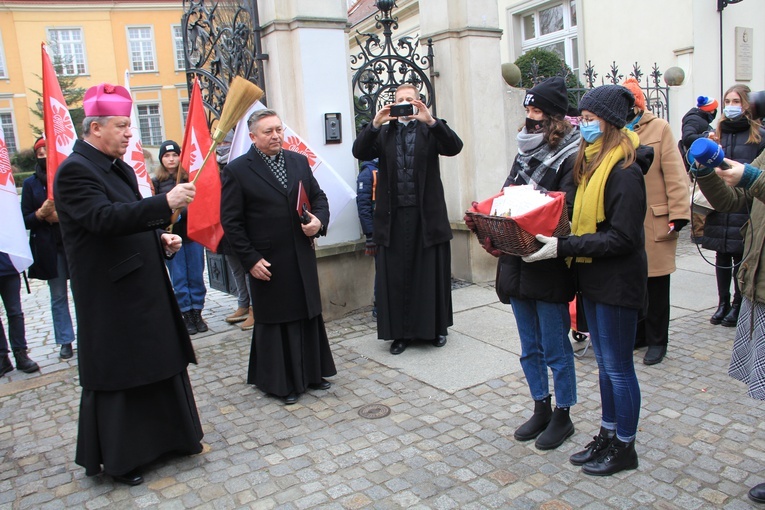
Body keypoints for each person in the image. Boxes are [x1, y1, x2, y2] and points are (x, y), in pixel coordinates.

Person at [54, 83, 203, 485]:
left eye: (128, 126)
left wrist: (159, 238)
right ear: (96, 127)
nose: (128, 134)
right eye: (121, 126)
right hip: (110, 294)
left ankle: (169, 439)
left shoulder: (113, 166)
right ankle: (125, 457)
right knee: (123, 373)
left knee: (156, 362)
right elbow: (102, 220)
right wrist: (165, 205)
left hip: (139, 284)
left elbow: (125, 218)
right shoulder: (74, 171)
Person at [523, 84, 653, 476]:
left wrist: (565, 245)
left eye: (592, 120)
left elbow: (623, 237)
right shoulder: (594, 160)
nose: (585, 126)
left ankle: (624, 446)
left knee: (617, 368)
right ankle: (607, 434)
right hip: (594, 278)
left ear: (610, 124)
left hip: (617, 282)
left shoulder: (625, 170)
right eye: (584, 119)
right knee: (604, 368)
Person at [466, 76, 580, 450]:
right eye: (528, 111)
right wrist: (491, 218)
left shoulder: (571, 155)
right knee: (529, 346)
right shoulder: (524, 152)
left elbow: (566, 208)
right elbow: (507, 195)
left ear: (555, 118)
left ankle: (563, 414)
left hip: (545, 259)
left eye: (537, 112)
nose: (530, 119)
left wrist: (527, 214)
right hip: (517, 263)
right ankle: (540, 406)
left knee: (555, 347)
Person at [220, 109, 336, 406]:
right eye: (268, 131)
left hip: (300, 252)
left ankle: (312, 373)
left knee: (307, 313)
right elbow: (231, 223)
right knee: (278, 319)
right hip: (267, 259)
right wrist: (250, 260)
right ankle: (282, 382)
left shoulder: (298, 161)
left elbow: (319, 197)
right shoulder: (237, 170)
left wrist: (318, 222)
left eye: (278, 130)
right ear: (253, 137)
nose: (275, 136)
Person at [352, 83, 463, 355]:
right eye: (399, 100)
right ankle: (400, 334)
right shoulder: (384, 133)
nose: (404, 104)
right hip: (393, 217)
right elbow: (359, 152)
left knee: (430, 274)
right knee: (398, 277)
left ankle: (436, 329)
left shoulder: (431, 128)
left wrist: (432, 121)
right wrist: (374, 124)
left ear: (419, 102)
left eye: (409, 99)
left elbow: (454, 147)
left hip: (427, 216)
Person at [692, 147, 765, 504]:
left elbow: (755, 184)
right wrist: (707, 171)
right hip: (760, 286)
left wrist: (752, 177)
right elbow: (734, 201)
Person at [622, 78, 691, 365]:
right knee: (633, 282)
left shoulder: (659, 128)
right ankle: (639, 333)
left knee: (657, 284)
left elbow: (675, 173)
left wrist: (679, 213)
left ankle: (657, 340)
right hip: (627, 218)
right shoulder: (615, 129)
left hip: (654, 218)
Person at [700, 85, 765, 328]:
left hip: (747, 213)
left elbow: (751, 180)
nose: (731, 105)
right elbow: (729, 197)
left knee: (739, 256)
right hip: (726, 204)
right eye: (728, 100)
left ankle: (736, 303)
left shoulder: (759, 135)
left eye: (736, 100)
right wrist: (704, 169)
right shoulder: (719, 132)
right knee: (722, 257)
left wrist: (749, 178)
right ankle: (724, 302)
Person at [20, 138, 76, 359]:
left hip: (72, 242)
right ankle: (65, 340)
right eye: (39, 151)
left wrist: (61, 216)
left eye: (46, 150)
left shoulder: (66, 178)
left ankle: (91, 335)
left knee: (82, 291)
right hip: (50, 248)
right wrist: (41, 214)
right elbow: (25, 219)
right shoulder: (30, 184)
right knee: (59, 295)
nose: (43, 154)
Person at [152, 140, 208, 335]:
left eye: (174, 155)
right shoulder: (156, 182)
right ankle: (185, 312)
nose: (171, 159)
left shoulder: (188, 179)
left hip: (191, 235)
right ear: (161, 159)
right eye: (167, 156)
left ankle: (197, 311)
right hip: (172, 237)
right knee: (179, 277)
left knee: (195, 274)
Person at [215, 131, 253, 330]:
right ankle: (242, 304)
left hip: (241, 226)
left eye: (226, 141)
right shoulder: (212, 166)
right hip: (223, 226)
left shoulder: (241, 164)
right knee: (236, 270)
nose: (222, 145)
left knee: (248, 268)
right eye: (219, 142)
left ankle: (255, 309)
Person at [0, 251, 40, 376]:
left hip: (8, 267)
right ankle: (2, 357)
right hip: (8, 265)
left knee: (15, 313)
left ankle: (20, 353)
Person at [356, 159, 379, 316]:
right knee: (382, 270)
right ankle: (379, 306)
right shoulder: (367, 172)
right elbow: (363, 206)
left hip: (392, 230)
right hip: (378, 232)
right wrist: (370, 234)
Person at [679, 96, 718, 171]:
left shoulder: (700, 119)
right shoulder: (694, 119)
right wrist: (707, 136)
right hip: (696, 161)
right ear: (711, 110)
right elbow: (687, 138)